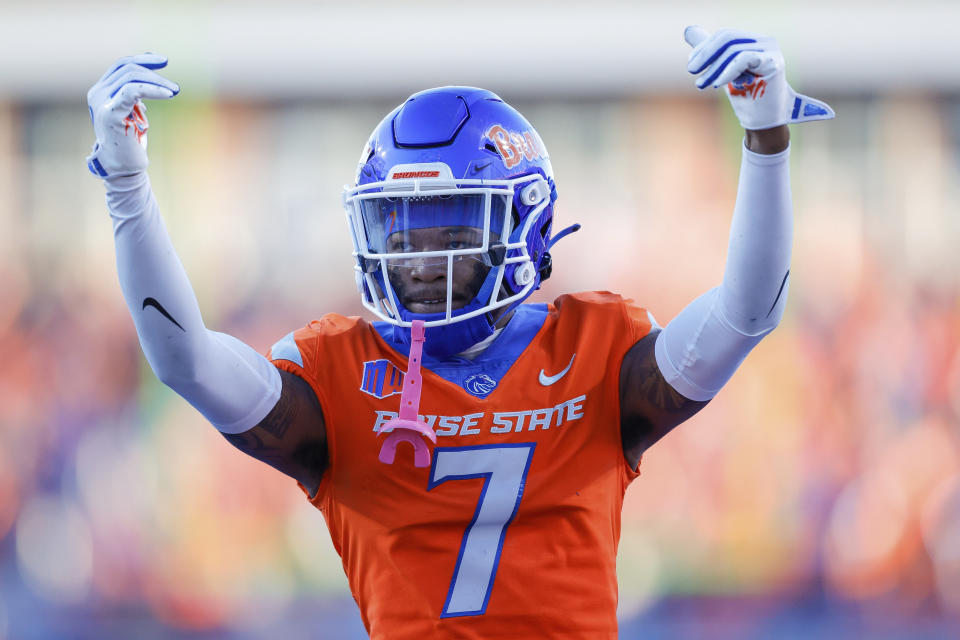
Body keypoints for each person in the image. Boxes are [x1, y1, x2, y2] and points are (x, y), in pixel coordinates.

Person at [86, 26, 832, 639]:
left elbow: (748, 311)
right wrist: (127, 183)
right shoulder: (337, 373)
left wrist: (766, 142)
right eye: (399, 230)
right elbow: (183, 358)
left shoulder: (595, 350)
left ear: (525, 224)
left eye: (448, 227)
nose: (419, 259)